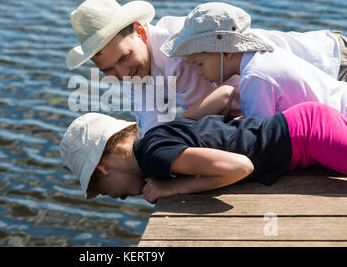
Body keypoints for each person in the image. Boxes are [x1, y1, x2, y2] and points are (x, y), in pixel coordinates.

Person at [59, 100, 347, 204]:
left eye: (109, 191)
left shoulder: (154, 156)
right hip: (304, 127)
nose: (120, 197)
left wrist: (175, 189)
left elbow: (241, 166)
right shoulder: (156, 137)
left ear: (103, 169)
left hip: (308, 136)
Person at [67, 0, 243, 136]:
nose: (123, 74)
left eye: (124, 57)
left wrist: (157, 142)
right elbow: (152, 120)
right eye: (107, 70)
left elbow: (211, 117)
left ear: (141, 32)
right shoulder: (132, 70)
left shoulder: (176, 52)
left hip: (257, 107)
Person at [160, 2, 347, 119]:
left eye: (199, 64)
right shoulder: (264, 58)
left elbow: (259, 134)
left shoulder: (255, 78)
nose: (199, 73)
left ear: (225, 52)